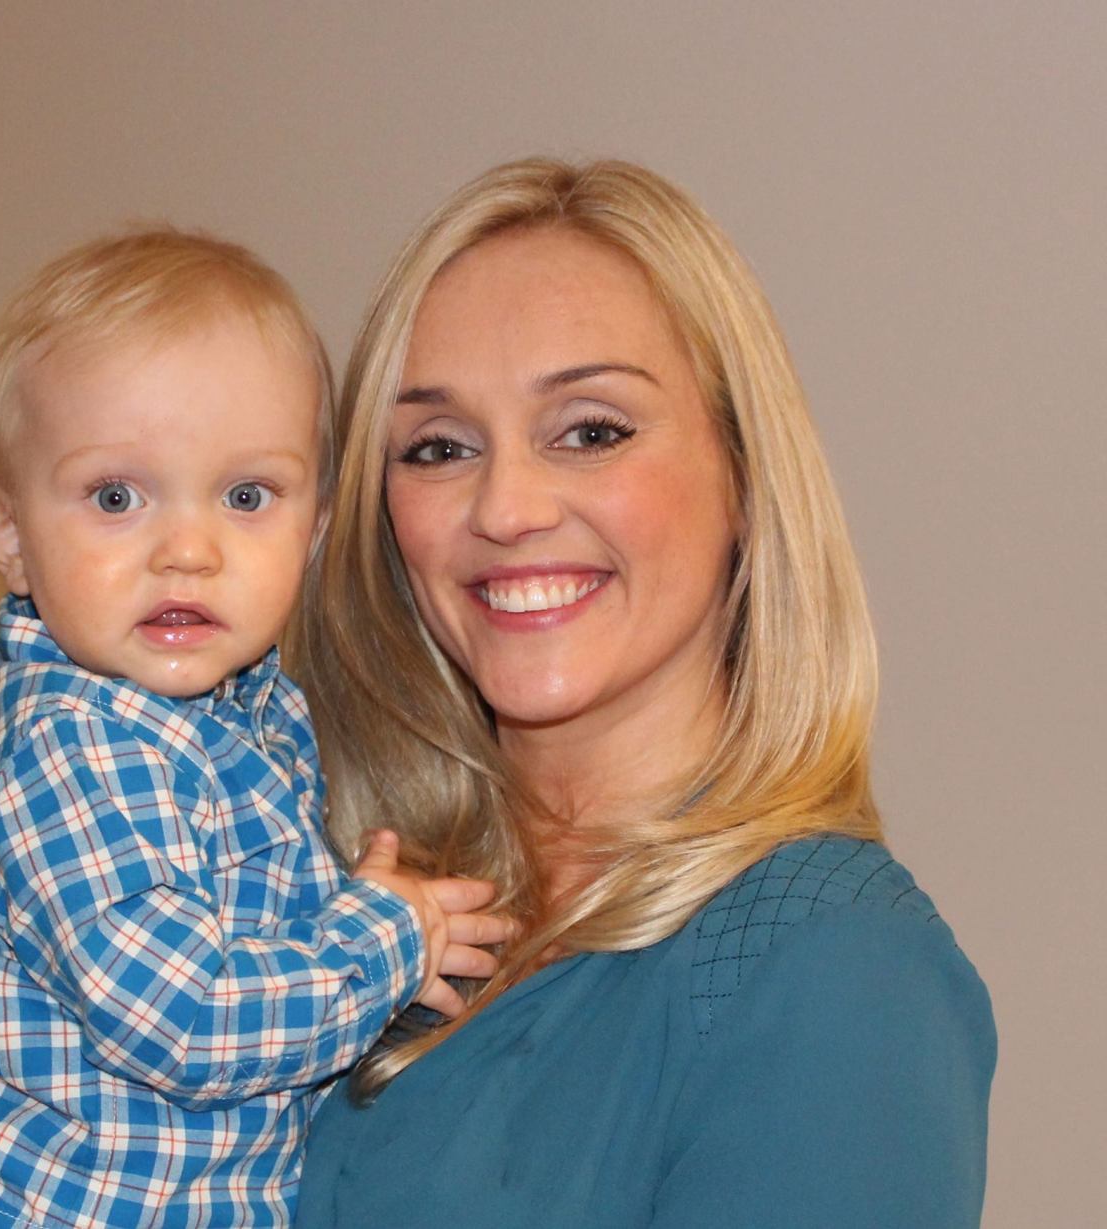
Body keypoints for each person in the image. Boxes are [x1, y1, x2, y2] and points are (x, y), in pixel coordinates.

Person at [293, 159, 996, 1228]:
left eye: (591, 431)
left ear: (745, 475)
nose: (505, 507)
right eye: (438, 447)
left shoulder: (835, 966)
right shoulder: (337, 909)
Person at [0, 229, 510, 1229]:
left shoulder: (245, 711)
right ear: (10, 533)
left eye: (247, 496)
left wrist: (371, 939)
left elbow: (252, 953)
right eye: (116, 496)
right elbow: (189, 1021)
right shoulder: (68, 750)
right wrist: (384, 936)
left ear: (314, 528)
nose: (188, 550)